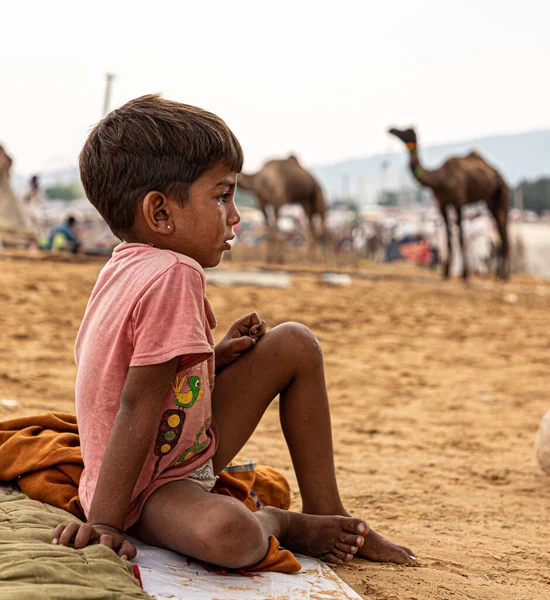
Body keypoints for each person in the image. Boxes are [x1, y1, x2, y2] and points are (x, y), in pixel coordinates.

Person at [52, 95, 415, 569]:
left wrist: (213, 357)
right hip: (143, 485)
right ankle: (284, 522)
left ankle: (330, 511)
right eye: (222, 196)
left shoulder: (127, 264)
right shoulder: (174, 275)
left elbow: (147, 374)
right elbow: (136, 401)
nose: (236, 215)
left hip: (178, 445)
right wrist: (105, 524)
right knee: (233, 535)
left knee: (294, 344)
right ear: (160, 213)